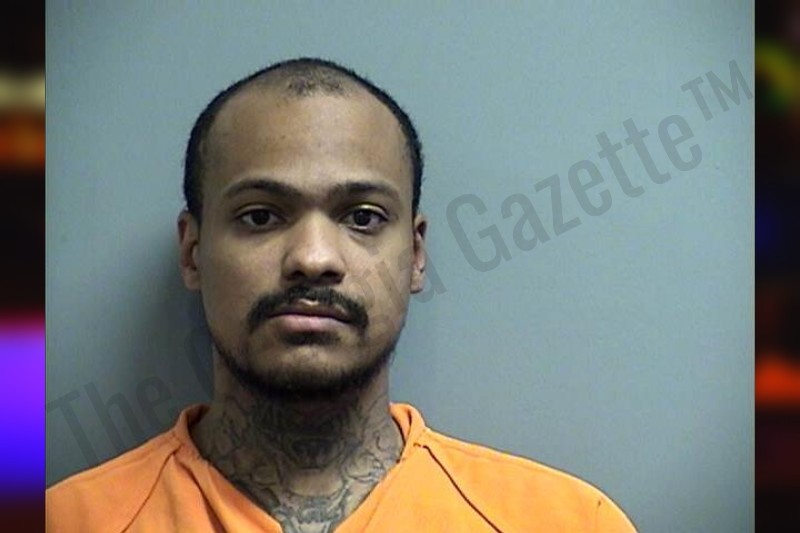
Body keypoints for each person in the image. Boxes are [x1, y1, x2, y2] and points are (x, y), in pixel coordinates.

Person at [46, 57, 637, 532]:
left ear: (416, 254)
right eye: (260, 216)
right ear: (192, 252)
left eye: (363, 217)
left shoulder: (567, 522)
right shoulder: (66, 521)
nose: (313, 258)